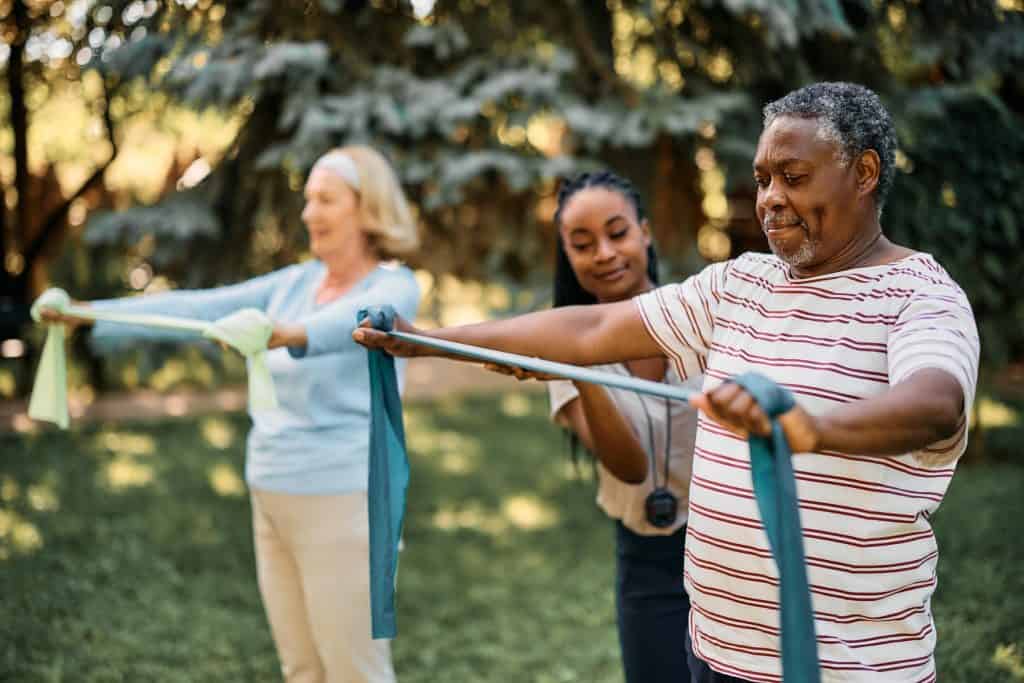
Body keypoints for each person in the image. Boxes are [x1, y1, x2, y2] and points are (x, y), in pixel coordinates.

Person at [355, 82, 979, 682]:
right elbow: (592, 330)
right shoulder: (742, 284)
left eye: (793, 177)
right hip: (713, 654)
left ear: (864, 173)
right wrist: (425, 337)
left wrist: (810, 426)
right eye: (762, 179)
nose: (768, 198)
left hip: (848, 667)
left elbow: (937, 403)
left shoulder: (920, 297)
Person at [42, 145, 421, 683]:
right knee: (301, 669)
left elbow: (362, 322)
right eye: (308, 200)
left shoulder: (394, 285)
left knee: (355, 672)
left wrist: (285, 332)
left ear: (367, 209)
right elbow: (200, 307)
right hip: (270, 491)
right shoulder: (294, 283)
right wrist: (86, 314)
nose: (309, 213)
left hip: (344, 502)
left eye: (326, 200)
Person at [513, 170, 701, 683]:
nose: (603, 253)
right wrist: (577, 368)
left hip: (729, 545)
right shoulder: (560, 347)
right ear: (567, 257)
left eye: (617, 233)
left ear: (645, 232)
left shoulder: (702, 316)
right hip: (646, 561)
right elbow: (630, 467)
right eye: (582, 243)